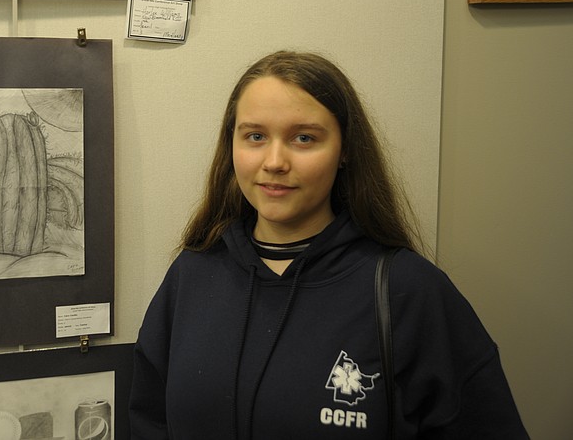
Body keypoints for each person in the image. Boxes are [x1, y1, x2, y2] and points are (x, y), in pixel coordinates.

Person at [129, 51, 529, 439]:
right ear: (231, 145)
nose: (274, 161)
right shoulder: (192, 276)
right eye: (254, 136)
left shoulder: (409, 291)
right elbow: (149, 421)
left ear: (345, 151)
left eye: (303, 138)